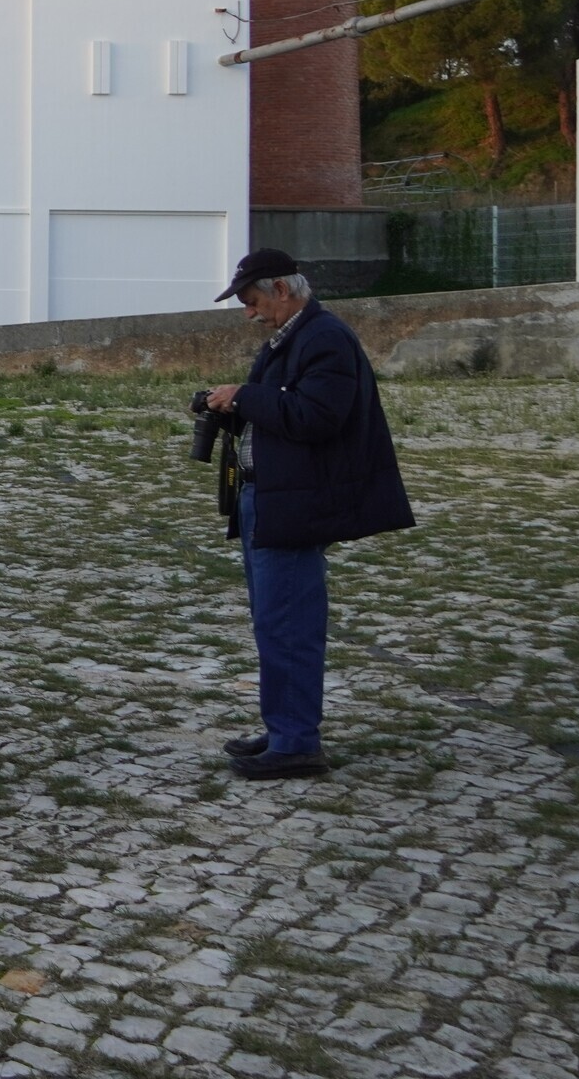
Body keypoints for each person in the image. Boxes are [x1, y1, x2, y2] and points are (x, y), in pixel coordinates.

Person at [202, 249, 413, 781]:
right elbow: (282, 410)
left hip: (293, 504)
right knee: (274, 623)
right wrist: (231, 405)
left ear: (280, 289)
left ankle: (296, 742)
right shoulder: (293, 338)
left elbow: (318, 416)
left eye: (251, 300)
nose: (249, 313)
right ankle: (283, 730)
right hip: (271, 497)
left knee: (289, 625)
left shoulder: (324, 338)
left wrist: (244, 397)